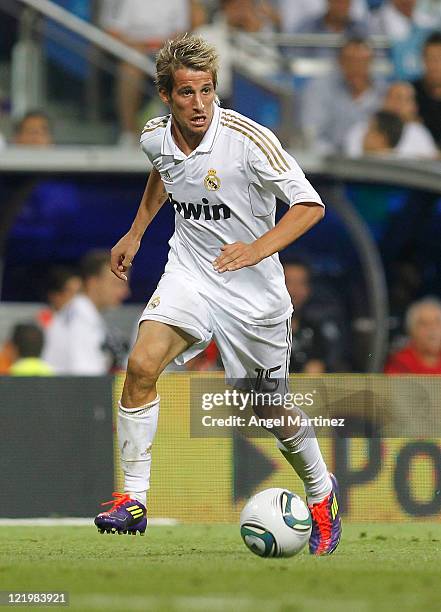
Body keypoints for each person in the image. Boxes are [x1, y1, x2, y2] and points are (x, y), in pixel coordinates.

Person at [94, 34, 341, 555]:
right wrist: (136, 232)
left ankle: (322, 493)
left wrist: (256, 249)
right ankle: (132, 498)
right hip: (190, 272)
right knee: (141, 364)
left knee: (266, 407)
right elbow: (165, 172)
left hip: (254, 295)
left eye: (207, 90)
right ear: (167, 95)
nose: (199, 103)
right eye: (187, 93)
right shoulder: (154, 137)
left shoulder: (249, 140)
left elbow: (309, 205)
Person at [100, 0, 206, 145]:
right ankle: (129, 133)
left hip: (167, 50)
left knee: (183, 68)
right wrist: (139, 46)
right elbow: (110, 31)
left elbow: (184, 32)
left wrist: (164, 46)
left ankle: (184, 134)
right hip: (131, 49)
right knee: (131, 65)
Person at [43, 250, 130, 375]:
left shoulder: (80, 312)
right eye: (116, 284)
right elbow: (85, 378)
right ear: (93, 283)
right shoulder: (80, 318)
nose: (125, 292)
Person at [300, 37, 385, 153]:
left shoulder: (384, 91)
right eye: (351, 61)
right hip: (330, 164)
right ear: (340, 62)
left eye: (362, 61)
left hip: (375, 162)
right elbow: (311, 135)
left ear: (371, 62)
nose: (356, 67)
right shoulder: (320, 88)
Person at [344, 80, 439, 158]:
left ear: (413, 107)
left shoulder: (419, 133)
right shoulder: (362, 129)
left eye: (404, 99)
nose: (397, 104)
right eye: (391, 97)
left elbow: (429, 164)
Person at [384, 297, 441, 373]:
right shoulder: (398, 364)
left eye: (437, 322)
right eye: (424, 324)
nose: (432, 329)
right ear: (412, 331)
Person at [412, 31, 441, 148]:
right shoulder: (409, 93)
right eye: (430, 58)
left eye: (439, 58)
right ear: (423, 60)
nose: (435, 65)